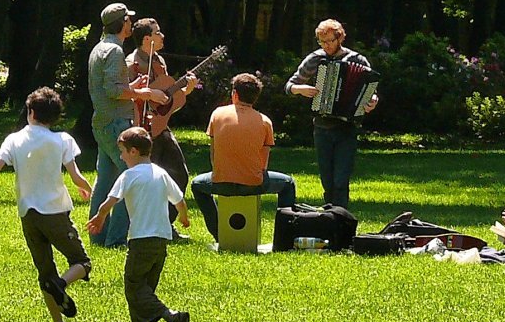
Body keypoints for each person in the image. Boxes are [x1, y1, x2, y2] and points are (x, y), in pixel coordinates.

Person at [0, 86, 95, 322]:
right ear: (56, 117)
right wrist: (88, 189)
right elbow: (75, 176)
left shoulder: (14, 140)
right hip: (55, 213)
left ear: (30, 111)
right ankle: (61, 284)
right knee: (82, 262)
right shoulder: (63, 140)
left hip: (28, 215)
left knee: (45, 272)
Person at [89, 127, 191, 322]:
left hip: (140, 239)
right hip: (162, 239)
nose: (121, 156)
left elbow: (110, 201)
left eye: (123, 152)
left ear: (134, 152)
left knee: (133, 286)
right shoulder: (161, 173)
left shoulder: (129, 175)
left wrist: (99, 219)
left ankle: (171, 316)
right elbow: (179, 200)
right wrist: (183, 217)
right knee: (145, 288)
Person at [87, 3, 166, 249]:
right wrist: (145, 93)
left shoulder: (100, 48)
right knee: (128, 181)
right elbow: (113, 91)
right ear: (122, 24)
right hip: (116, 124)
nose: (131, 24)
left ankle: (98, 238)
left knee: (105, 181)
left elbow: (114, 86)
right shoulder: (115, 51)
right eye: (129, 20)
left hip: (102, 122)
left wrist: (134, 86)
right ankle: (116, 240)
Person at [190, 73, 298, 241]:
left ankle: (219, 233)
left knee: (197, 185)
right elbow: (264, 165)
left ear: (235, 94)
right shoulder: (265, 121)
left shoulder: (217, 115)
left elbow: (213, 154)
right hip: (253, 184)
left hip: (220, 182)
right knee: (288, 184)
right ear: (255, 98)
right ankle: (283, 237)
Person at [285, 19, 378, 208]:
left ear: (339, 38)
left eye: (329, 41)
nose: (326, 46)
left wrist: (373, 100)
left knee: (340, 181)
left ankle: (341, 218)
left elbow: (369, 88)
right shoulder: (315, 59)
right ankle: (329, 218)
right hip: (322, 127)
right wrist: (300, 89)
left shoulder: (357, 60)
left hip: (347, 127)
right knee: (327, 181)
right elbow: (289, 85)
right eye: (322, 41)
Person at [126, 17, 195, 224]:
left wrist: (186, 90)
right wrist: (149, 94)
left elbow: (166, 101)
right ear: (148, 38)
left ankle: (167, 223)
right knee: (149, 180)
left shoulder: (159, 61)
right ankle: (145, 224)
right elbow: (129, 96)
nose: (162, 36)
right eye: (158, 33)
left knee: (180, 174)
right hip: (142, 129)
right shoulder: (132, 64)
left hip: (161, 127)